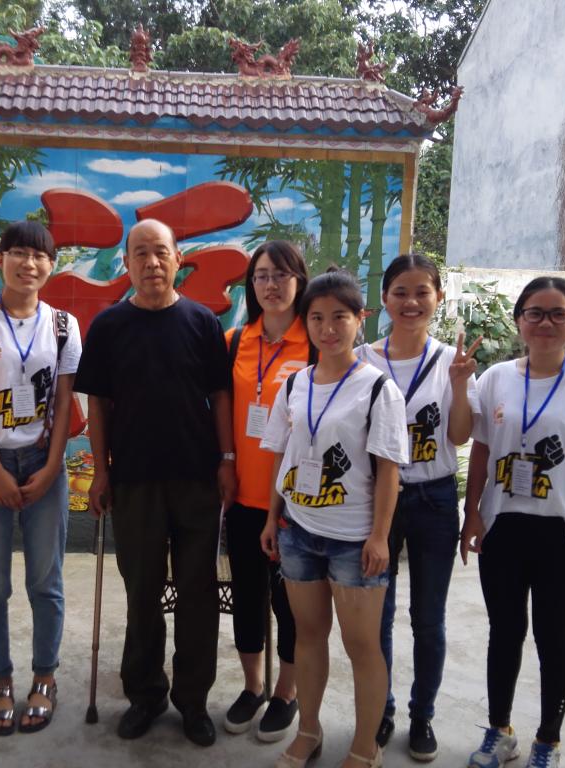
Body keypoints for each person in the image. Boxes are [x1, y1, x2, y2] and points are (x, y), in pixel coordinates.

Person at [73, 218, 236, 747]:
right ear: (126, 262)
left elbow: (220, 396)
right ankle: (145, 694)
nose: (151, 262)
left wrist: (227, 459)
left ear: (177, 258)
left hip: (196, 478)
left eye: (160, 251)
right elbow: (97, 403)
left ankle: (193, 700)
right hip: (134, 481)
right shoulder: (108, 326)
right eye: (140, 253)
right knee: (141, 591)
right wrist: (100, 470)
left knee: (197, 593)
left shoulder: (202, 322)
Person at [461, 277, 565, 768]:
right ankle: (500, 732)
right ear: (519, 321)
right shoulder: (496, 379)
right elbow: (481, 450)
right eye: (535, 312)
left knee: (553, 638)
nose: (546, 323)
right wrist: (472, 512)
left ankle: (547, 741)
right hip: (503, 527)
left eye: (559, 313)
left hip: (561, 533)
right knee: (504, 633)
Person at [260, 269, 410, 768]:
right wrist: (272, 518)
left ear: (360, 319)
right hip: (299, 533)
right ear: (305, 322)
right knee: (307, 636)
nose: (328, 329)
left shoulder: (378, 389)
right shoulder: (295, 383)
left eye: (339, 317)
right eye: (317, 318)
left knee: (362, 646)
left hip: (354, 541)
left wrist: (380, 537)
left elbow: (388, 470)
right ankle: (309, 730)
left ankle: (365, 747)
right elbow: (282, 456)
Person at [0, 221, 81, 736]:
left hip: (44, 463)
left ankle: (44, 678)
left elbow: (66, 403)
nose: (29, 264)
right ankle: (0, 681)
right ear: (1, 258)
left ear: (52, 265)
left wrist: (51, 468)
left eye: (40, 256)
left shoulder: (64, 326)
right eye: (19, 253)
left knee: (45, 581)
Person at [358, 254, 481, 762]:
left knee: (428, 619)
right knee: (377, 617)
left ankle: (422, 715)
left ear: (438, 298)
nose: (411, 302)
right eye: (400, 292)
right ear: (384, 299)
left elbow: (460, 436)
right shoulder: (362, 359)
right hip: (377, 501)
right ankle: (382, 710)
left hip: (434, 499)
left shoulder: (453, 361)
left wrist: (459, 384)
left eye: (422, 292)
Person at [223, 241, 311, 742]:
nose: (271, 285)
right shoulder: (235, 341)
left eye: (281, 274)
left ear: (299, 279)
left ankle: (286, 692)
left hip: (296, 504)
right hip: (243, 496)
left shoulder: (315, 343)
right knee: (247, 597)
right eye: (261, 276)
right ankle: (253, 686)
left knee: (290, 604)